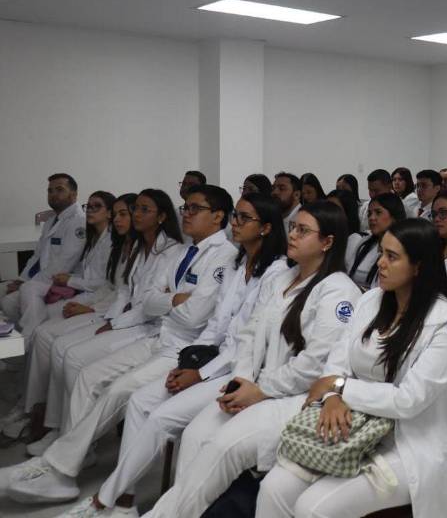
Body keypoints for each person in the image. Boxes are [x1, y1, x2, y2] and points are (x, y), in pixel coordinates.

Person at [55, 193, 289, 518]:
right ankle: (123, 503)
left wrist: (201, 374)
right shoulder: (239, 266)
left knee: (166, 420)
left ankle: (105, 502)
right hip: (213, 358)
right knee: (139, 402)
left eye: (243, 218)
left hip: (240, 370)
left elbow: (245, 343)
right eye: (236, 216)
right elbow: (216, 329)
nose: (235, 224)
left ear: (265, 228)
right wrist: (190, 362)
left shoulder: (275, 274)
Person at [1, 185, 237, 504]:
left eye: (195, 208)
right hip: (161, 334)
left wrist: (165, 300)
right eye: (186, 207)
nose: (187, 214)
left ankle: (60, 470)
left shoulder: (224, 256)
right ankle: (62, 460)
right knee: (91, 374)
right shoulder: (185, 251)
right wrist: (173, 299)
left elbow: (194, 316)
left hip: (183, 347)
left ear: (218, 216)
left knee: (116, 391)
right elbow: (149, 299)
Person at [140, 201, 361, 518]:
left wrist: (261, 390)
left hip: (293, 399)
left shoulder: (338, 293)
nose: (293, 235)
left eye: (303, 230)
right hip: (254, 386)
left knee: (220, 449)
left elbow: (314, 364)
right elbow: (248, 334)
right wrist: (241, 379)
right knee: (194, 436)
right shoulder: (282, 279)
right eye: (293, 227)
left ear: (327, 242)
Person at [258, 218, 447, 518]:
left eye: (392, 257)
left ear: (419, 266)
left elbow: (409, 400)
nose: (380, 264)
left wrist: (341, 388)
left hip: (413, 444)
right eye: (381, 253)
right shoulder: (372, 300)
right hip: (356, 424)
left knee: (313, 508)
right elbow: (338, 362)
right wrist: (334, 398)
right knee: (273, 488)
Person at [34, 191, 183, 440]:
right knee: (65, 350)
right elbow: (126, 290)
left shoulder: (172, 251)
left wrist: (116, 322)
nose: (136, 214)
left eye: (143, 210)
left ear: (162, 216)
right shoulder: (139, 245)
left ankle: (73, 437)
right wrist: (112, 320)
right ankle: (61, 429)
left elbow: (150, 305)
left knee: (73, 357)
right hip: (125, 319)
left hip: (149, 327)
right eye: (135, 209)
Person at [3, 193, 134, 443]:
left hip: (107, 309)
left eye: (124, 213)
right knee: (39, 326)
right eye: (117, 214)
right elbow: (113, 287)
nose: (119, 219)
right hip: (100, 302)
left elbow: (121, 292)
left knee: (51, 339)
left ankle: (42, 416)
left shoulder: (125, 245)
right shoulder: (112, 241)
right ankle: (32, 407)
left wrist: (90, 307)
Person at [17, 191, 115, 350]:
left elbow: (106, 283)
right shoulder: (94, 237)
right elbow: (87, 272)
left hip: (94, 296)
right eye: (88, 206)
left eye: (97, 207)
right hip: (80, 288)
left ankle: (24, 345)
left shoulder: (111, 242)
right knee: (28, 288)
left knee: (41, 317)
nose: (90, 210)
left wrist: (70, 280)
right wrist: (69, 278)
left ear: (110, 213)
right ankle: (24, 344)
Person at [0, 174, 86, 330]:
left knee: (26, 292)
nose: (53, 194)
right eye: (50, 190)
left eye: (59, 189)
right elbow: (36, 256)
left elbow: (64, 264)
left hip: (63, 282)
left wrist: (27, 283)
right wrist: (22, 279)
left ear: (73, 194)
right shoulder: (52, 221)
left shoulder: (78, 222)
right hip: (43, 279)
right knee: (7, 301)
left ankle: (30, 336)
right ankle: (21, 340)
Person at [347, 194, 407, 290]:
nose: (371, 218)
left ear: (394, 216)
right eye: (369, 214)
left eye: (378, 212)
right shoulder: (364, 243)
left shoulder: (402, 248)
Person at [325, 188, 365, 268]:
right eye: (326, 208)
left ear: (348, 213)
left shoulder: (354, 240)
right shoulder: (323, 236)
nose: (328, 213)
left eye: (334, 209)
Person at [273, 172, 302, 237]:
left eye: (282, 188)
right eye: (273, 188)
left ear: (296, 195)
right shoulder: (272, 217)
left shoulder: (305, 219)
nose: (275, 192)